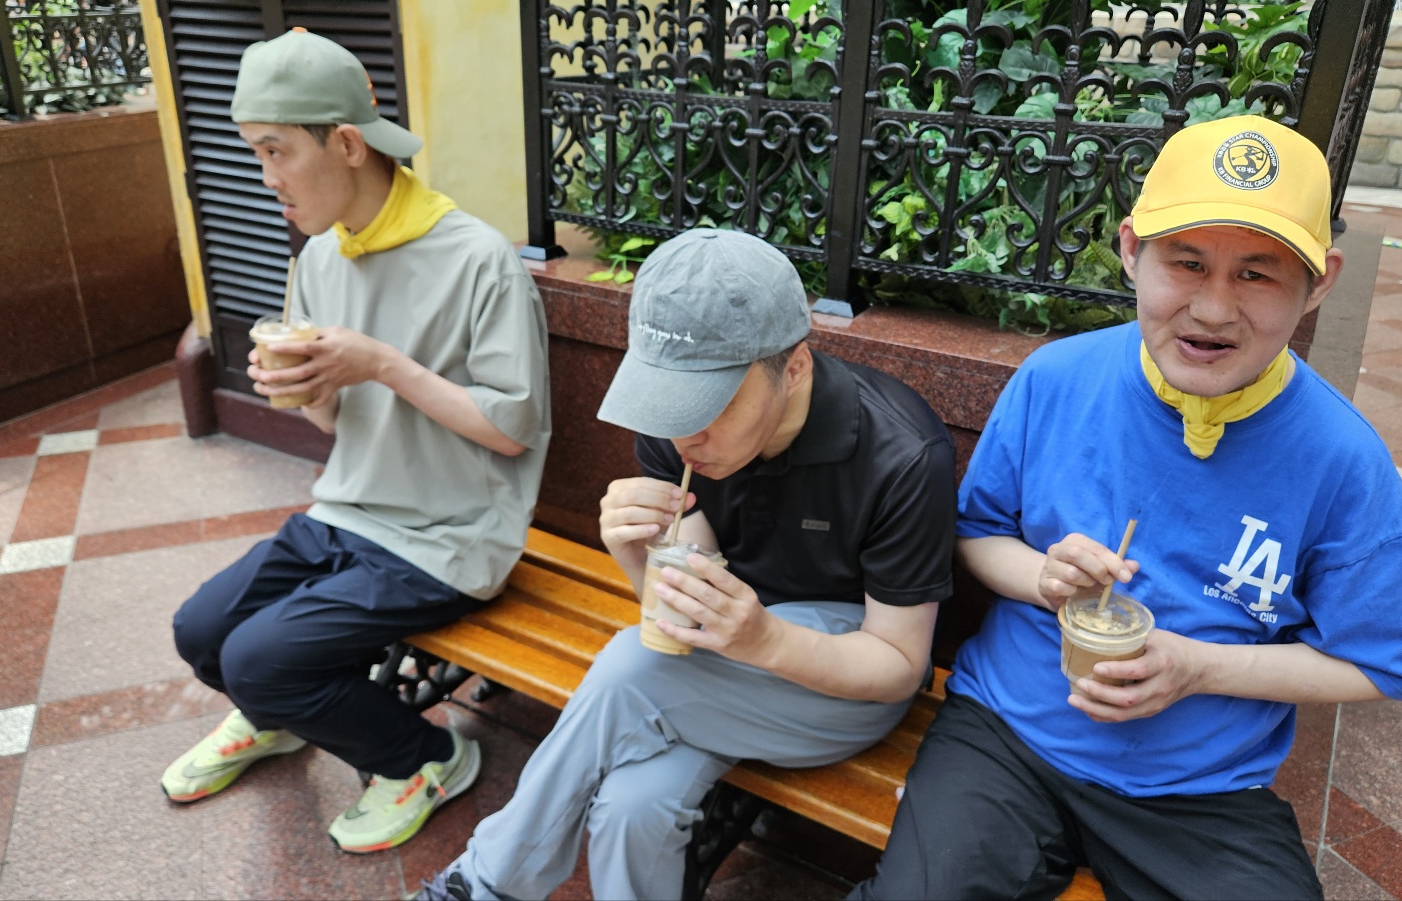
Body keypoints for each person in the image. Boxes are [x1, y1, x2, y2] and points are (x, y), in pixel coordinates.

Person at [851, 116, 1402, 900]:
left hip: (1203, 787)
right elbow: (976, 532)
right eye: (1187, 263)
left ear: (1320, 282)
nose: (1214, 309)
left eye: (1257, 275)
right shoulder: (1055, 379)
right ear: (1131, 251)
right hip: (1008, 734)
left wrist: (1199, 667)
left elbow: (1378, 665)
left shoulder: (1346, 462)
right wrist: (1043, 577)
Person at [415, 228, 957, 900]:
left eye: (711, 402)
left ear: (794, 367)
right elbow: (685, 613)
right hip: (712, 667)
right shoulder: (676, 428)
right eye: (670, 399)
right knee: (632, 806)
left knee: (627, 664)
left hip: (844, 680)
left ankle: (487, 881)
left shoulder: (901, 454)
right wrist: (636, 556)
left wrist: (765, 638)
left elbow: (898, 667)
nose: (683, 433)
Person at [158, 29, 550, 855]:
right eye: (255, 153)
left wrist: (382, 363)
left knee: (259, 658)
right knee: (201, 629)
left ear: (345, 143)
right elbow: (335, 426)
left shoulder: (478, 259)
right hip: (347, 513)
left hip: (448, 536)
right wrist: (310, 389)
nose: (266, 177)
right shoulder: (320, 258)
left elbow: (511, 432)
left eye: (276, 151)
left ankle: (428, 758)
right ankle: (278, 718)